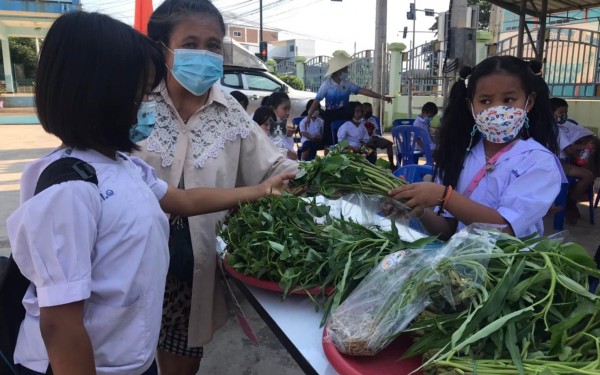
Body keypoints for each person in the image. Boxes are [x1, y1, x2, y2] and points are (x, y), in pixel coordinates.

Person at [6, 11, 293, 375]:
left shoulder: (126, 167)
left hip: (131, 361)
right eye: (140, 93)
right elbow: (59, 325)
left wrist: (261, 190)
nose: (148, 104)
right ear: (95, 96)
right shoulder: (69, 190)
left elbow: (186, 201)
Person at [137, 1, 298, 374]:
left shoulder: (230, 112)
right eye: (191, 42)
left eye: (213, 45)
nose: (205, 53)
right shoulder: (135, 102)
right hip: (130, 269)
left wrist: (320, 176)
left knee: (178, 366)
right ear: (163, 47)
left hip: (189, 276)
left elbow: (273, 166)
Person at [389, 56, 564, 241]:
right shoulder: (460, 155)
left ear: (528, 102)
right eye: (486, 101)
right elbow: (448, 229)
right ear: (470, 105)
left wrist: (444, 197)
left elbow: (505, 230)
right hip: (461, 265)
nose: (497, 109)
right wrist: (419, 208)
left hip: (511, 266)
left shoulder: (538, 161)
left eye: (509, 99)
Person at [304, 55, 393, 152]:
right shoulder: (326, 85)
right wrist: (308, 117)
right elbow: (316, 101)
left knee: (345, 141)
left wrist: (382, 97)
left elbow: (363, 91)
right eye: (345, 69)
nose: (347, 71)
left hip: (345, 114)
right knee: (329, 143)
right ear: (338, 71)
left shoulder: (347, 84)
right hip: (330, 116)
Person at [550, 97, 600, 224]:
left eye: (566, 113)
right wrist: (585, 147)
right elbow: (569, 150)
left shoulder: (549, 127)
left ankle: (571, 201)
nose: (564, 115)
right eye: (561, 113)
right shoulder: (556, 129)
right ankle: (570, 203)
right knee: (588, 176)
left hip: (556, 162)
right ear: (551, 113)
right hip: (557, 164)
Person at [363, 102, 395, 169]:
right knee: (369, 146)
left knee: (389, 144)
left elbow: (376, 131)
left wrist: (374, 134)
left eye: (371, 110)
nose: (370, 112)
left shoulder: (372, 119)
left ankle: (391, 164)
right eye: (368, 110)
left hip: (374, 137)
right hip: (364, 139)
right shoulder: (360, 121)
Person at [264, 92, 297, 158]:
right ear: (272, 109)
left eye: (289, 109)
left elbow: (290, 147)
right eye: (285, 109)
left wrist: (289, 136)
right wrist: (289, 153)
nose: (288, 113)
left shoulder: (279, 125)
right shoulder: (267, 128)